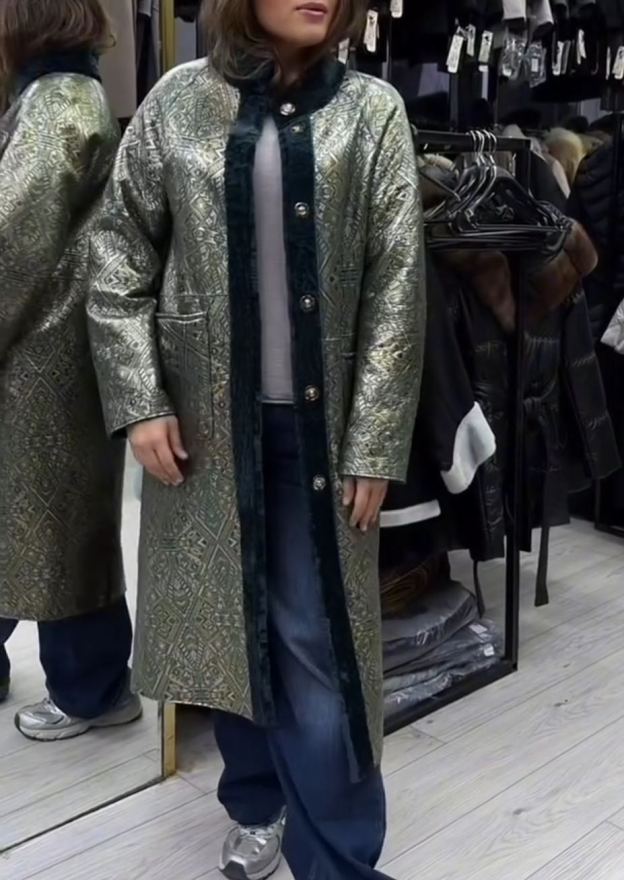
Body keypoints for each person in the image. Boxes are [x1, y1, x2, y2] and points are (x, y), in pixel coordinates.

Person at [87, 0, 425, 875]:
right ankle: (255, 803)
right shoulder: (176, 102)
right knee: (225, 631)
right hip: (203, 437)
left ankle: (339, 859)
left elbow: (397, 283)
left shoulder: (372, 112)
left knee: (321, 648)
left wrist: (374, 439)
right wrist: (139, 399)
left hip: (320, 438)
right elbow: (117, 254)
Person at [0, 0, 141, 738]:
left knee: (59, 530)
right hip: (50, 354)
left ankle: (94, 692)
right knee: (47, 524)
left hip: (40, 364)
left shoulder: (56, 104)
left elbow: (11, 242)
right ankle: (92, 685)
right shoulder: (68, 96)